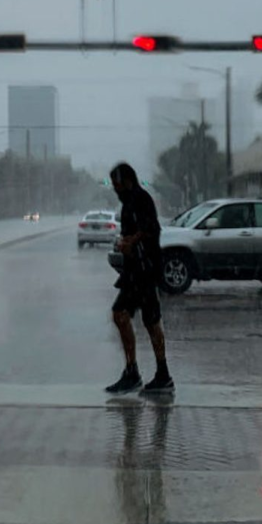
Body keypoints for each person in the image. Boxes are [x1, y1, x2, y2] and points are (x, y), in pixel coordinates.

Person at [105, 162, 174, 395]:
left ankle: (141, 372)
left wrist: (130, 242)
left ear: (127, 181)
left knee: (127, 315)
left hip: (143, 270)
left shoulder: (140, 200)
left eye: (117, 184)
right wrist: (125, 243)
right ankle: (151, 373)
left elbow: (151, 229)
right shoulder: (129, 203)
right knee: (145, 319)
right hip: (137, 270)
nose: (115, 189)